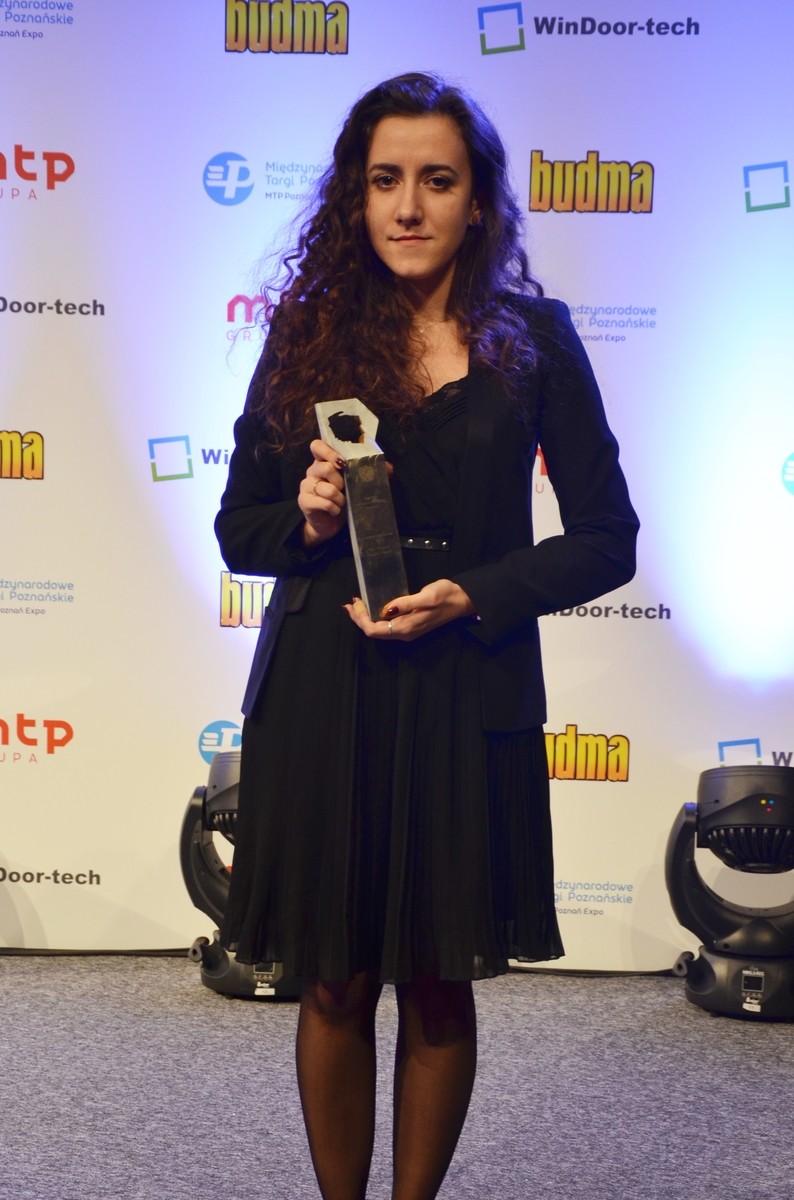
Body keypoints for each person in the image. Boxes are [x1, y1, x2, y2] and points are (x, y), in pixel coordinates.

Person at [215, 72, 638, 1200]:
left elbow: (608, 539)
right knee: (334, 982)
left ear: (477, 201)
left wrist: (474, 594)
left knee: (440, 985)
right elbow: (239, 532)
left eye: (436, 181)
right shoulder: (307, 335)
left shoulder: (536, 340)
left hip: (467, 690)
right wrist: (307, 519)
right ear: (355, 198)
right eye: (385, 180)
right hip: (324, 691)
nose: (408, 206)